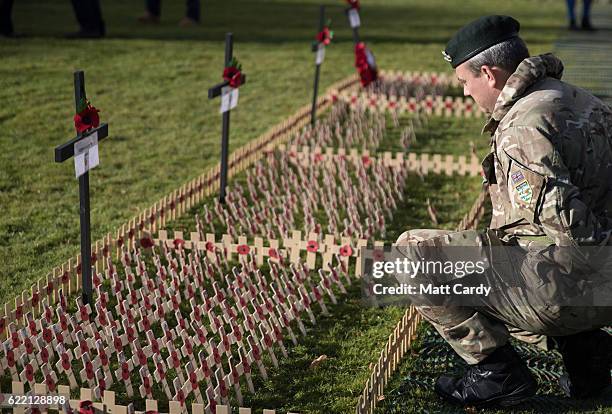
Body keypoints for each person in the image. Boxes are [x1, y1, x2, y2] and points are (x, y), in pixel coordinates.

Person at [395, 15, 612, 408]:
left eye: (465, 82)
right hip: (598, 289)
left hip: (578, 292)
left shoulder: (521, 127)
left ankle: (495, 374)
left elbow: (564, 222)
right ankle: (588, 360)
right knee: (524, 249)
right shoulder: (582, 100)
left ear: (490, 74)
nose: (465, 93)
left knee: (411, 254)